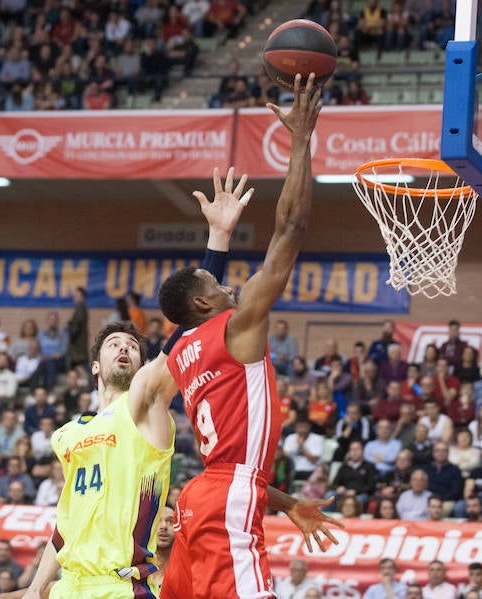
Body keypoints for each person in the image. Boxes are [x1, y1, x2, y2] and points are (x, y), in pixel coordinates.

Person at [24, 151, 339, 599]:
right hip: (69, 583)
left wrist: (217, 240)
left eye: (133, 346)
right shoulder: (65, 436)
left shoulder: (143, 399)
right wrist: (38, 585)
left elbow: (188, 328)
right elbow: (67, 515)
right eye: (114, 345)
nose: (125, 350)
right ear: (94, 366)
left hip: (121, 583)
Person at [156, 74, 337, 599]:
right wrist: (301, 141)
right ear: (203, 304)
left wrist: (287, 504)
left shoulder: (181, 355)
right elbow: (292, 229)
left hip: (203, 493)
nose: (230, 283)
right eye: (217, 281)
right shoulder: (235, 327)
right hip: (223, 495)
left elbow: (236, 475)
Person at [150, 506, 175, 591]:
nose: (164, 526)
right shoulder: (135, 572)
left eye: (170, 521)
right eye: (157, 521)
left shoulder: (184, 572)